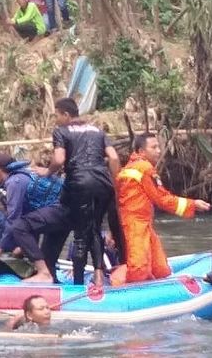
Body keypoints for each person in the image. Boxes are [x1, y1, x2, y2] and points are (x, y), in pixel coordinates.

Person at [31, 98, 124, 286]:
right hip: (103, 183)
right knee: (94, 228)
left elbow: (59, 159)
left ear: (66, 114)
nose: (56, 119)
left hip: (79, 184)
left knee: (81, 234)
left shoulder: (61, 131)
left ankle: (79, 284)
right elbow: (113, 158)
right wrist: (117, 184)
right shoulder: (98, 131)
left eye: (57, 115)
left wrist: (47, 172)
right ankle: (98, 274)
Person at [110, 133, 211, 285]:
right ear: (141, 151)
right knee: (139, 269)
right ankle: (120, 286)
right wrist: (192, 204)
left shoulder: (128, 169)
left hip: (141, 222)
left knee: (160, 269)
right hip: (136, 224)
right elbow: (162, 199)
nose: (159, 150)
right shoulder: (144, 168)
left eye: (159, 146)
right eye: (154, 147)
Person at [0, 153, 64, 267]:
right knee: (48, 263)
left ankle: (43, 272)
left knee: (18, 226)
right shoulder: (25, 175)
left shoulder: (14, 182)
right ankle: (46, 273)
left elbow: (13, 220)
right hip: (60, 214)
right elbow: (32, 217)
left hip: (57, 213)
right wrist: (24, 247)